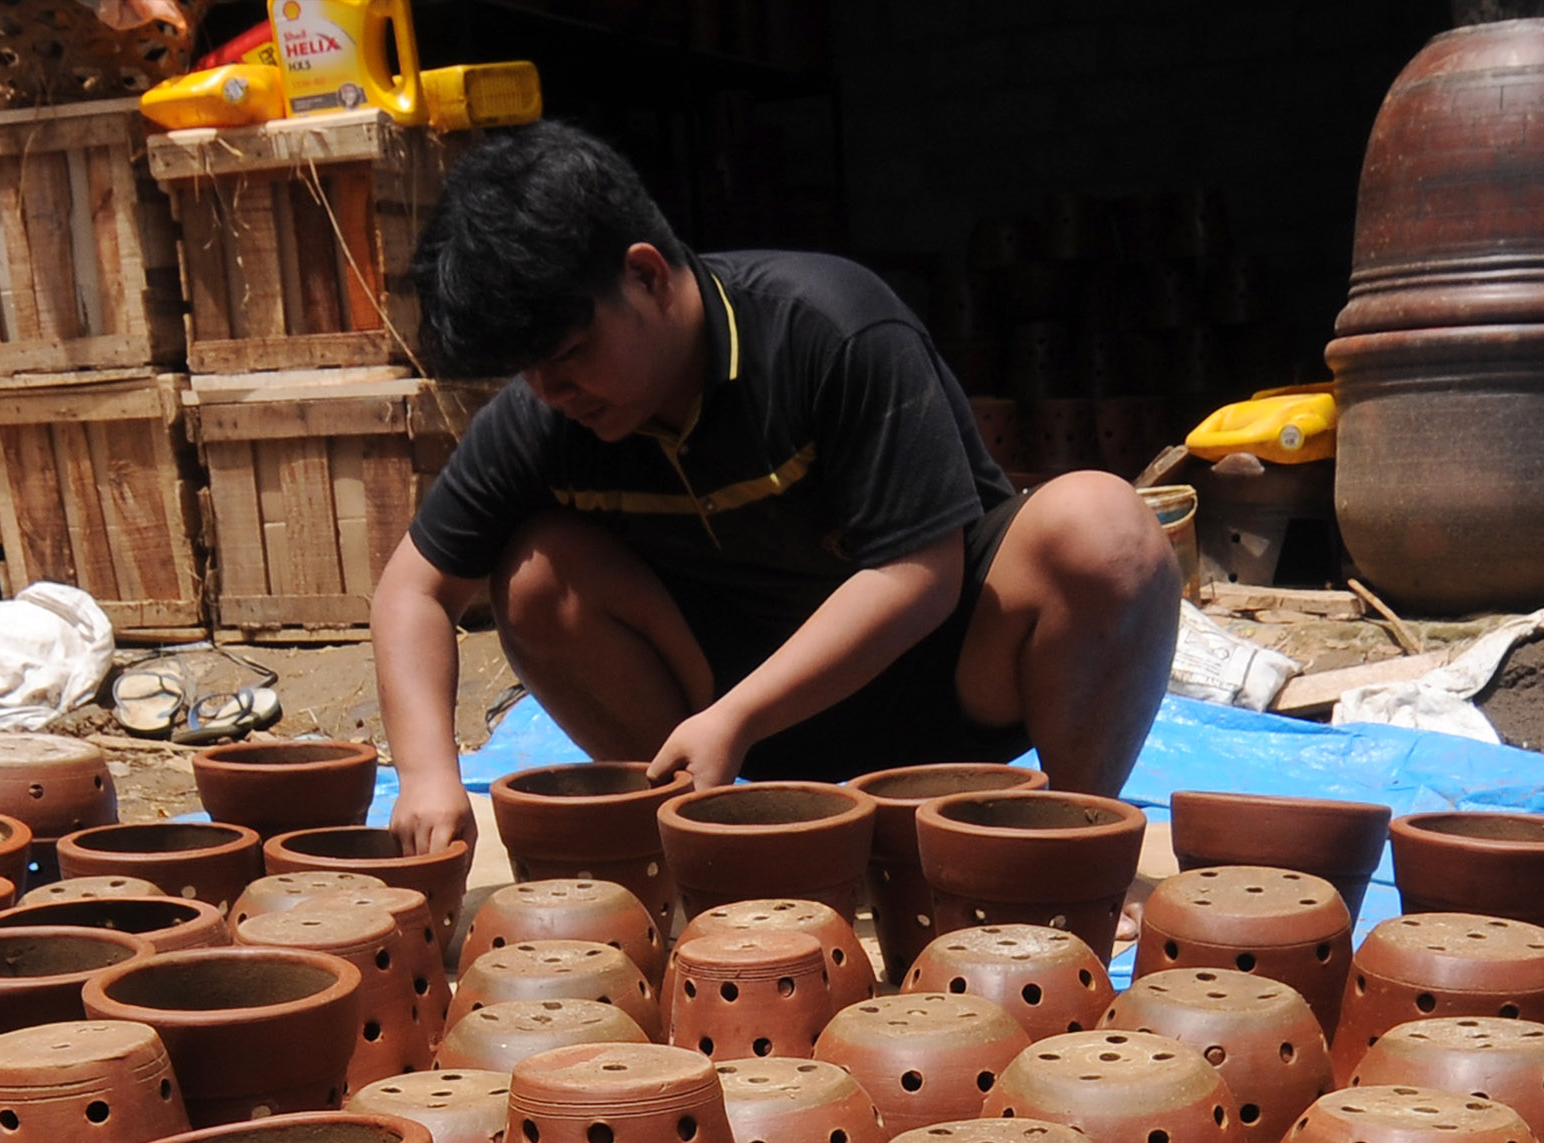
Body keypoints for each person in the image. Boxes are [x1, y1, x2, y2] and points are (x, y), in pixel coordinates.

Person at [369, 122, 1179, 857]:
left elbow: (920, 574)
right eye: (529, 370)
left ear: (646, 275)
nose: (552, 391)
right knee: (538, 575)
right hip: (721, 736)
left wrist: (739, 716)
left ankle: (1068, 855)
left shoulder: (830, 329)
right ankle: (721, 847)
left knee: (1104, 527)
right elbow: (413, 590)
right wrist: (427, 775)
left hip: (940, 692)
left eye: (572, 352)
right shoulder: (546, 415)